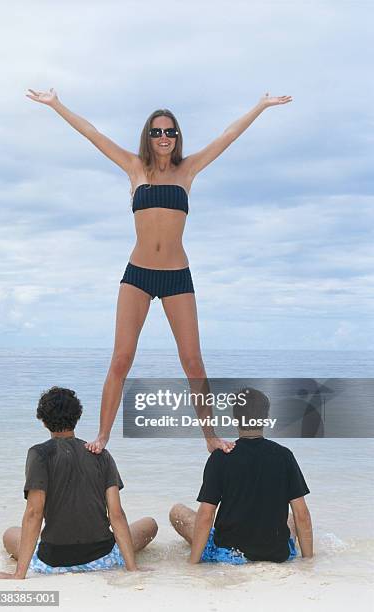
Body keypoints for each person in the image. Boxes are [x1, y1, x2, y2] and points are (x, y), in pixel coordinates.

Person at [25, 89, 292, 455]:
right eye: (156, 132)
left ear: (177, 137)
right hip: (137, 274)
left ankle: (211, 437)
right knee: (121, 359)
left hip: (176, 276)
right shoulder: (135, 168)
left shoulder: (188, 170)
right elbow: (92, 134)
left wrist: (260, 106)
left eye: (169, 132)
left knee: (193, 361)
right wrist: (56, 105)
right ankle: (102, 436)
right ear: (147, 137)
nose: (163, 138)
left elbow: (228, 136)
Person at [0, 387, 157, 579]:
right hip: (103, 557)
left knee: (10, 534)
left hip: (53, 561)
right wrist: (132, 569)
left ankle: (28, 564)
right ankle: (123, 560)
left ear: (43, 420)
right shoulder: (100, 454)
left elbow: (34, 513)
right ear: (77, 416)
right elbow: (116, 514)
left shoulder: (39, 454)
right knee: (150, 524)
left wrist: (19, 574)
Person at [169, 387, 313, 565]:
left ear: (235, 419)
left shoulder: (221, 456)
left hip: (230, 553)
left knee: (178, 512)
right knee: (291, 518)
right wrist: (308, 561)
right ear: (266, 418)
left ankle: (204, 551)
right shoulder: (285, 456)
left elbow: (207, 515)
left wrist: (193, 563)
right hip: (276, 553)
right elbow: (302, 515)